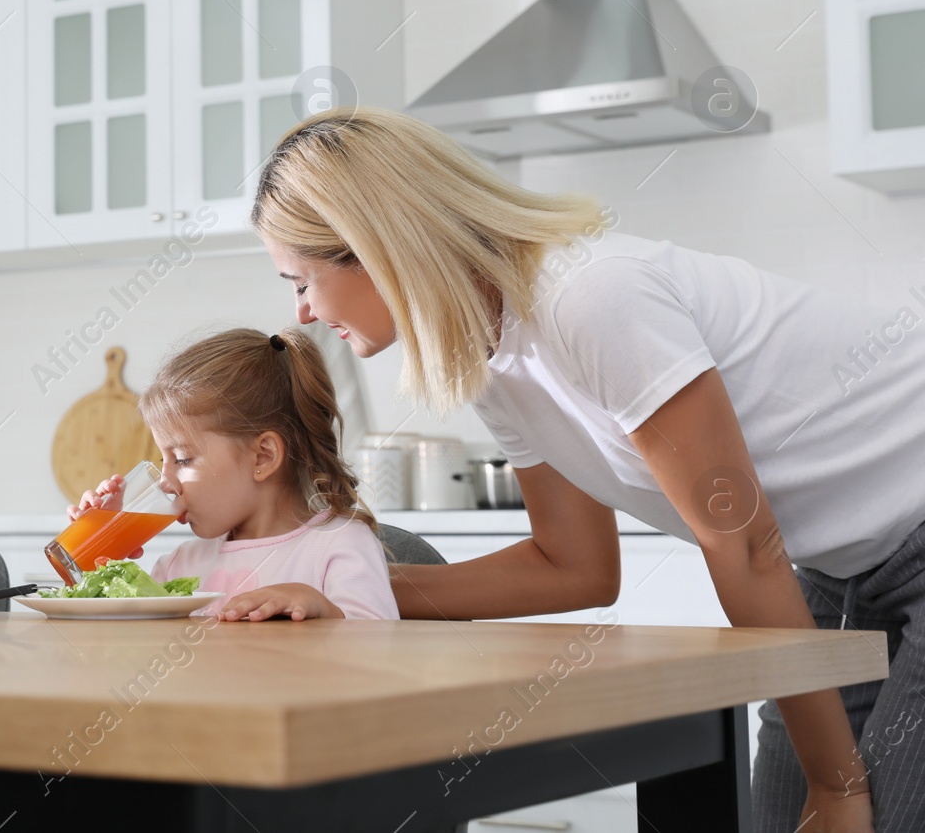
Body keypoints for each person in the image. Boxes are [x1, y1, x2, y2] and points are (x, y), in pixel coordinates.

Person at [249, 105, 925, 833]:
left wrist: (835, 783)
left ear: (373, 246)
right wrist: (347, 587)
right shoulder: (490, 356)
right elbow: (571, 563)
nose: (305, 312)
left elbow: (743, 541)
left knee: (861, 809)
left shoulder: (592, 296)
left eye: (300, 279)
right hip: (841, 568)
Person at [68, 327, 398, 621]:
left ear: (263, 456)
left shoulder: (339, 546)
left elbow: (379, 651)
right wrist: (99, 556)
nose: (165, 481)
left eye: (182, 459)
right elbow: (118, 648)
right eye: (162, 459)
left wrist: (322, 609)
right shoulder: (178, 566)